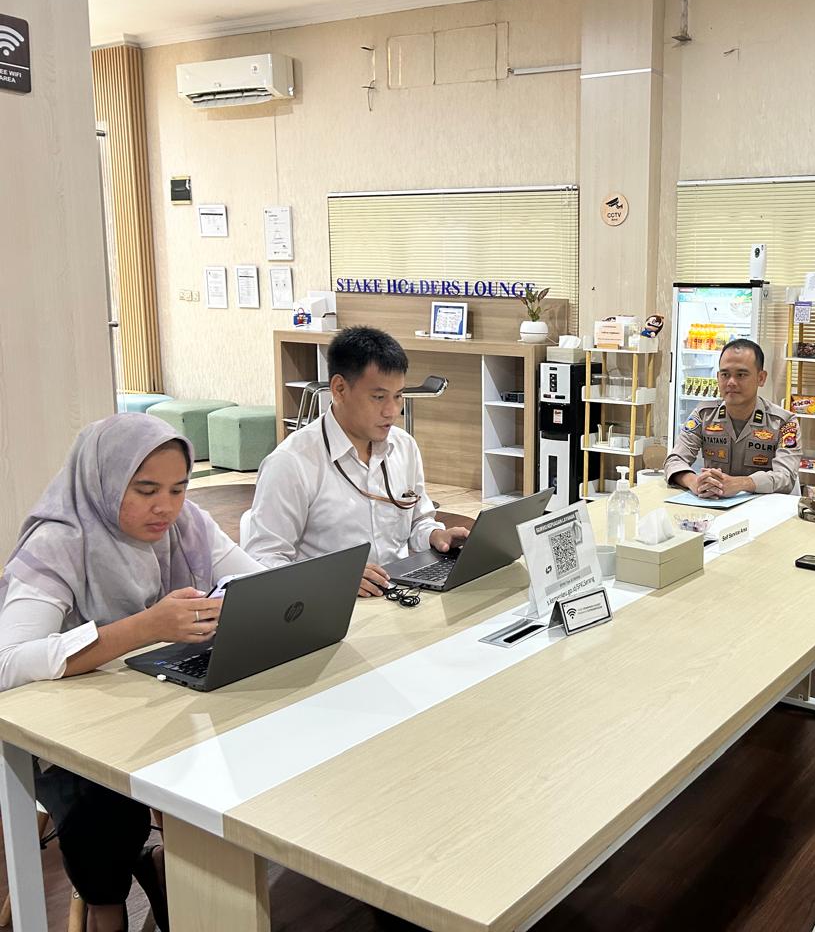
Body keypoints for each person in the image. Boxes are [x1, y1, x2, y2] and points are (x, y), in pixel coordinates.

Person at [0, 413, 264, 932]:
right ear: (103, 480)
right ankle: (108, 903)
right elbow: (8, 662)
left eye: (178, 489)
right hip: (68, 734)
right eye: (145, 490)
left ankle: (184, 873)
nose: (165, 506)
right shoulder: (59, 541)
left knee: (239, 744)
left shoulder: (186, 525)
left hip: (155, 705)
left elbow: (255, 582)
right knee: (107, 812)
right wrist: (143, 628)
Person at [244, 326, 469, 595]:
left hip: (400, 594)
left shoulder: (404, 446)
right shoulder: (291, 463)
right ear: (339, 389)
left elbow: (418, 521)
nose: (392, 411)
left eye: (398, 396)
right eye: (378, 397)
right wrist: (332, 576)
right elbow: (263, 561)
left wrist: (435, 535)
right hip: (329, 603)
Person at [664, 338, 800, 497]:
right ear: (718, 377)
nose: (731, 382)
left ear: (761, 378)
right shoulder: (704, 415)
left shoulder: (784, 422)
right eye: (725, 374)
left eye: (741, 375)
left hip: (765, 507)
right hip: (716, 503)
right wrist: (694, 482)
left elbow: (786, 477)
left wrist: (741, 483)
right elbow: (674, 460)